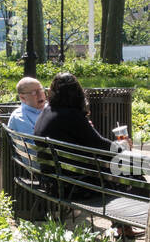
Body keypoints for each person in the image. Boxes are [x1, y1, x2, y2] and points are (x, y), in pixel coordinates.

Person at [33, 71, 132, 220]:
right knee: (132, 175)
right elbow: (100, 146)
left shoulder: (47, 112)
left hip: (51, 181)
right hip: (74, 186)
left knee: (123, 171)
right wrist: (123, 146)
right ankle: (127, 227)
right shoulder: (72, 116)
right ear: (78, 93)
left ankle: (123, 228)